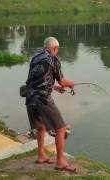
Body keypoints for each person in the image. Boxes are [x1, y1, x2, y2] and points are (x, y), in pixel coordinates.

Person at [25, 37, 77, 172]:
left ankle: (41, 156)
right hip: (43, 99)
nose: (57, 52)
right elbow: (62, 81)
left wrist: (53, 87)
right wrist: (70, 84)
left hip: (30, 98)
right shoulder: (53, 59)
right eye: (57, 49)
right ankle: (60, 161)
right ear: (55, 48)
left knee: (41, 127)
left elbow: (36, 81)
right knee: (61, 129)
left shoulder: (35, 58)